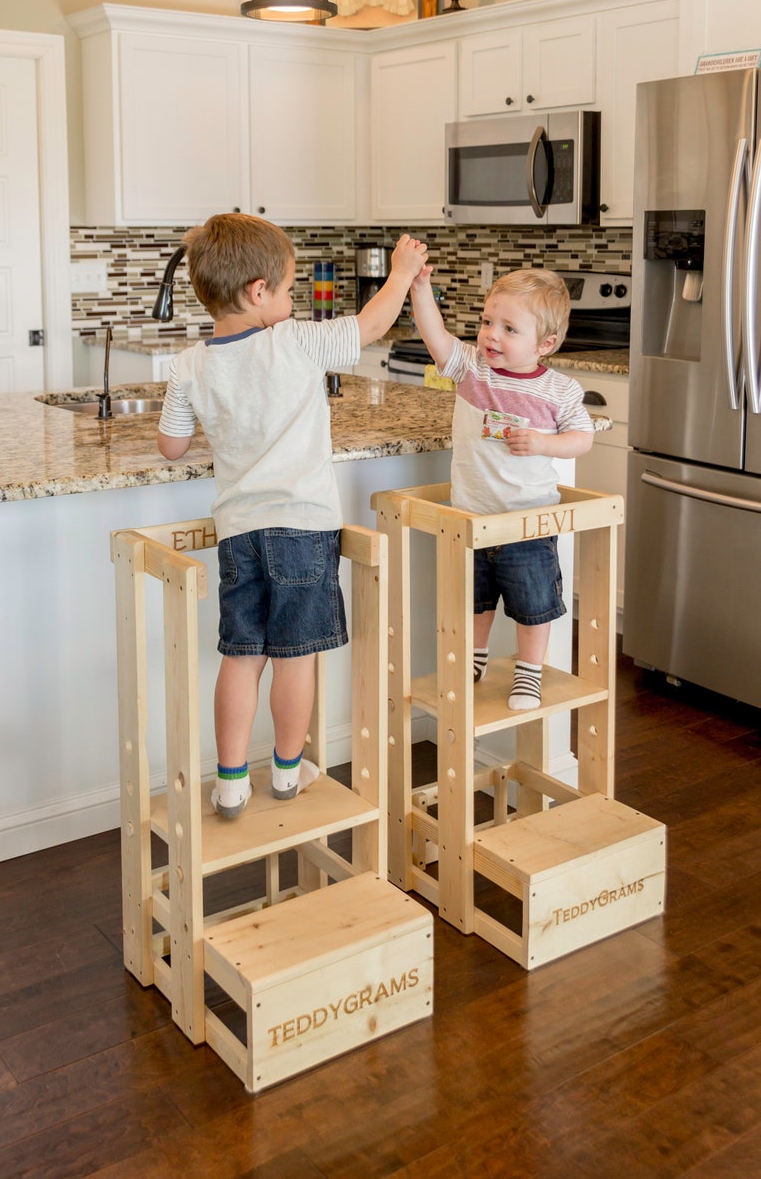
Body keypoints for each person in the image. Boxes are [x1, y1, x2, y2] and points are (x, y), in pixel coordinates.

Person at [157, 213, 427, 818]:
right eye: (286, 289)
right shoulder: (296, 341)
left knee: (241, 655)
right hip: (302, 529)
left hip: (237, 533)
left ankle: (229, 782)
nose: (290, 301)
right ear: (258, 293)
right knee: (295, 657)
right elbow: (371, 326)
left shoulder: (187, 365)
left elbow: (171, 446)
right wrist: (402, 272)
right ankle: (285, 773)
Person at [411, 266, 593, 711]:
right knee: (475, 601)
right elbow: (436, 336)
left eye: (509, 328)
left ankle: (529, 672)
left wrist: (543, 443)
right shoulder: (473, 370)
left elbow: (583, 439)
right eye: (488, 322)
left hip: (527, 523)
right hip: (471, 517)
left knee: (535, 605)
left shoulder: (560, 390)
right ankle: (474, 658)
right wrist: (419, 288)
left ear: (545, 344)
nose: (491, 335)